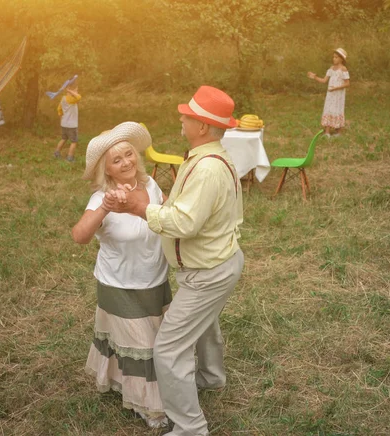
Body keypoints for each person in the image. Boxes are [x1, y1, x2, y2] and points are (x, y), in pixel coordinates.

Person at [103, 86, 245, 436]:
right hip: (217, 264)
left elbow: (184, 222)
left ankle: (190, 428)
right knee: (205, 325)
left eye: (186, 116)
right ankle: (211, 378)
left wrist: (140, 207)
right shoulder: (206, 157)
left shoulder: (208, 169)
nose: (180, 119)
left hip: (209, 273)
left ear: (201, 127)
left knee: (168, 349)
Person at [71, 121, 171, 429]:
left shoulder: (151, 185)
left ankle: (118, 381)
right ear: (108, 170)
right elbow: (80, 236)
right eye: (117, 160)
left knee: (154, 340)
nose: (126, 161)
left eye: (129, 154)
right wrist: (105, 208)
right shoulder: (101, 199)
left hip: (155, 280)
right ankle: (152, 409)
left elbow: (167, 219)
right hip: (120, 285)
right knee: (144, 347)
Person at [307, 48, 350, 137]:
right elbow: (324, 80)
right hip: (330, 94)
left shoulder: (343, 69)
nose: (334, 59)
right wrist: (314, 77)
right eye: (333, 57)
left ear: (341, 59)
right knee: (329, 109)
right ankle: (327, 132)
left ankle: (338, 131)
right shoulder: (331, 68)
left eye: (336, 57)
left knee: (337, 109)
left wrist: (336, 88)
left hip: (338, 94)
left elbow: (347, 83)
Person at [54, 83, 81, 161]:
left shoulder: (63, 99)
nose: (77, 92)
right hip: (71, 125)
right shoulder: (73, 99)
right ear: (71, 91)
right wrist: (70, 90)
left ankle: (56, 153)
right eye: (76, 90)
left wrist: (62, 117)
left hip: (64, 124)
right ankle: (70, 157)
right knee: (74, 141)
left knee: (64, 138)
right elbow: (79, 97)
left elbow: (59, 110)